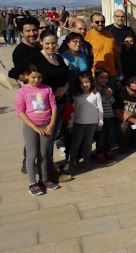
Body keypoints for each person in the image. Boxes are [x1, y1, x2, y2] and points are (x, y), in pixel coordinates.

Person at [11, 30, 70, 177]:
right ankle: (48, 171)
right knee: (46, 140)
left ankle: (46, 169)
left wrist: (66, 88)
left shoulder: (58, 58)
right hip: (42, 108)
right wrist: (31, 86)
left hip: (59, 104)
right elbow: (13, 72)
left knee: (51, 138)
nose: (51, 46)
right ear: (41, 43)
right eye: (47, 43)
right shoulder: (35, 58)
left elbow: (65, 77)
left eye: (54, 43)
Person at [15, 64, 60, 195]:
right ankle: (32, 182)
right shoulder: (22, 91)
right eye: (33, 77)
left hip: (46, 125)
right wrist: (34, 127)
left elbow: (53, 107)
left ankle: (43, 179)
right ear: (27, 76)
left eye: (39, 78)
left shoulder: (47, 89)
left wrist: (51, 125)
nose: (36, 80)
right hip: (31, 127)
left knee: (43, 153)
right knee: (32, 154)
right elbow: (20, 112)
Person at [67, 71, 103, 171]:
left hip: (92, 123)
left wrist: (100, 122)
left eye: (87, 82)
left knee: (88, 143)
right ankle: (71, 161)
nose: (85, 84)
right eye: (82, 83)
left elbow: (100, 109)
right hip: (78, 124)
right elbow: (72, 112)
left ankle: (86, 160)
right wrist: (70, 124)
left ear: (91, 82)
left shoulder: (96, 95)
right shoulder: (76, 96)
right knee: (76, 143)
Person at [84, 13, 123, 87]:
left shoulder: (110, 35)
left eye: (102, 22)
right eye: (97, 22)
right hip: (95, 75)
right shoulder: (87, 36)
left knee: (111, 97)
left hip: (111, 74)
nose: (100, 24)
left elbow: (116, 54)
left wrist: (120, 71)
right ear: (91, 23)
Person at [95, 67, 115, 162]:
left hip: (109, 115)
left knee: (109, 135)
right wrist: (105, 96)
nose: (104, 80)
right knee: (101, 136)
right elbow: (96, 103)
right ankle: (100, 153)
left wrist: (109, 96)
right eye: (101, 77)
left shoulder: (107, 88)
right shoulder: (95, 89)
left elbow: (112, 101)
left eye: (106, 78)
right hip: (100, 117)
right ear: (96, 78)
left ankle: (108, 151)